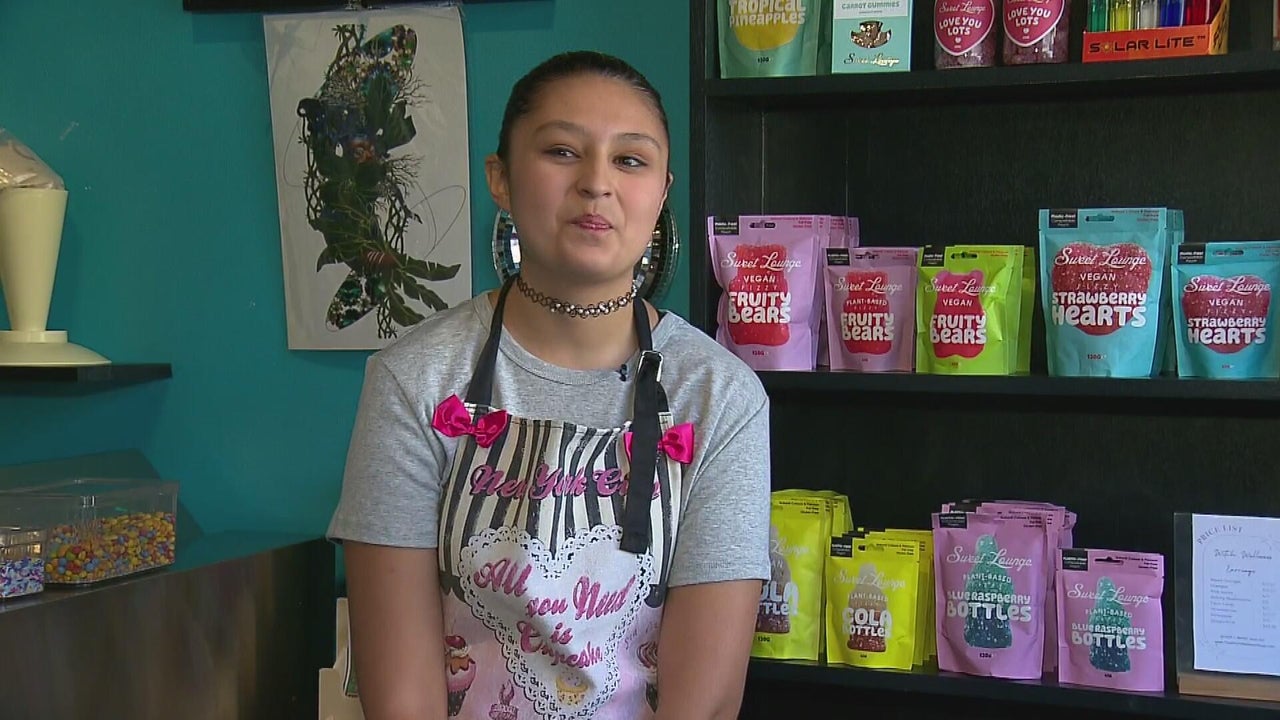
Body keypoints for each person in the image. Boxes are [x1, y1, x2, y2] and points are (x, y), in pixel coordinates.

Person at [328, 50, 771, 720]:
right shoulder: (414, 380)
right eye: (562, 151)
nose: (597, 183)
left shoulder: (720, 396)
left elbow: (702, 705)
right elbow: (400, 699)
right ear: (500, 178)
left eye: (630, 160)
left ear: (661, 193)